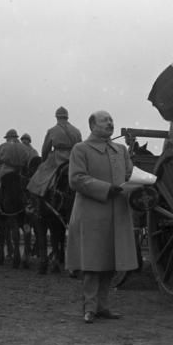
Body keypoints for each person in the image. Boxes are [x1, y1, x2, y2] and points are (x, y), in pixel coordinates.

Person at [66, 110, 137, 323]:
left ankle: (104, 306)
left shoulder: (121, 150)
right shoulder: (81, 149)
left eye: (112, 120)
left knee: (110, 260)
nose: (110, 123)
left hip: (117, 213)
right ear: (92, 125)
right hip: (91, 213)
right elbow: (76, 179)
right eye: (105, 120)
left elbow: (130, 174)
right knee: (92, 263)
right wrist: (107, 188)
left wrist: (142, 183)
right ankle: (90, 308)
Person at [26, 106, 83, 197]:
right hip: (73, 159)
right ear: (67, 117)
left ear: (57, 117)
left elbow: (45, 149)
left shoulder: (52, 131)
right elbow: (80, 147)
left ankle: (37, 199)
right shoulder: (77, 131)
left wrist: (43, 161)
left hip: (57, 159)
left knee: (38, 178)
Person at [0, 128, 31, 202]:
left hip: (4, 172)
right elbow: (26, 160)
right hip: (20, 173)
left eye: (6, 138)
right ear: (16, 137)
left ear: (9, 137)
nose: (6, 140)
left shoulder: (4, 146)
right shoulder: (24, 148)